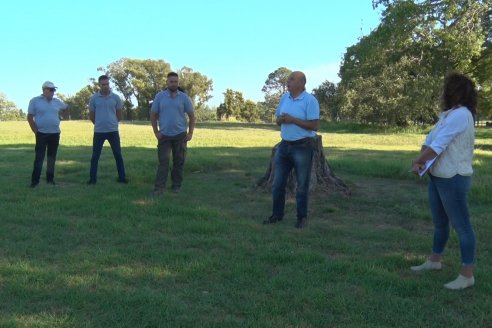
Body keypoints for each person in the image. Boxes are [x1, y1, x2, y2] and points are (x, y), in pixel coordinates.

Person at [410, 72, 477, 290]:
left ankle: (467, 275)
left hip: (454, 178)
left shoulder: (461, 115)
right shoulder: (448, 114)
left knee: (463, 227)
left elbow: (439, 146)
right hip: (438, 176)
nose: (444, 92)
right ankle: (434, 261)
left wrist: (417, 162)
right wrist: (420, 161)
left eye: (447, 87)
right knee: (440, 224)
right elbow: (430, 141)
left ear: (455, 91)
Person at [263, 71, 320, 229]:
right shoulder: (284, 98)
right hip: (284, 146)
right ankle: (277, 215)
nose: (288, 81)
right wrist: (281, 120)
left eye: (291, 79)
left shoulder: (310, 101)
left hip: (302, 147)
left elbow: (314, 126)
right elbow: (277, 120)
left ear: (301, 83)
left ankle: (302, 217)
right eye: (288, 79)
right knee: (277, 184)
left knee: (302, 185)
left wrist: (292, 120)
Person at [150, 72, 195, 195]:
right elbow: (153, 115)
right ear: (167, 82)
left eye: (176, 81)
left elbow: (192, 116)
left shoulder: (184, 97)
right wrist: (156, 132)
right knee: (163, 162)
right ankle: (159, 188)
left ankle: (176, 186)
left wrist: (190, 133)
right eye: (171, 81)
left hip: (180, 135)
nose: (174, 84)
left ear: (178, 82)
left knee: (178, 162)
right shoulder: (160, 97)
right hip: (164, 135)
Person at [27, 81, 68, 187]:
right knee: (39, 158)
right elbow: (30, 117)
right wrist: (35, 131)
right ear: (44, 90)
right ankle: (35, 181)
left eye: (54, 90)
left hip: (55, 134)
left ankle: (50, 179)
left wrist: (61, 117)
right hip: (41, 134)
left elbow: (66, 108)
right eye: (51, 90)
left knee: (51, 158)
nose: (53, 92)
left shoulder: (57, 101)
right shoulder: (35, 101)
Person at [88, 75, 127, 185]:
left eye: (107, 84)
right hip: (99, 132)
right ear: (99, 85)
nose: (105, 86)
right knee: (95, 156)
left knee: (118, 155)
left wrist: (113, 123)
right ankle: (92, 179)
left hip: (113, 131)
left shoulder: (116, 98)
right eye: (103, 84)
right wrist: (100, 123)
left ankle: (122, 178)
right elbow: (91, 116)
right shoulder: (94, 98)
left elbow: (119, 115)